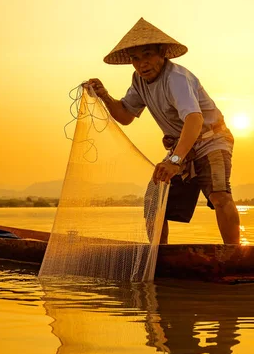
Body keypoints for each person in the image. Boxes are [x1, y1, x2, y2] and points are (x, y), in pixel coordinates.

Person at [87, 18, 240, 244]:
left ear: (162, 54)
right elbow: (125, 116)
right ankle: (159, 256)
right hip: (181, 144)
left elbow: (194, 120)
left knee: (219, 194)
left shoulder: (176, 78)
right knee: (153, 200)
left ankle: (235, 254)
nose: (142, 64)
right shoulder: (139, 80)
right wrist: (104, 95)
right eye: (135, 58)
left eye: (147, 55)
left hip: (211, 139)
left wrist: (175, 160)